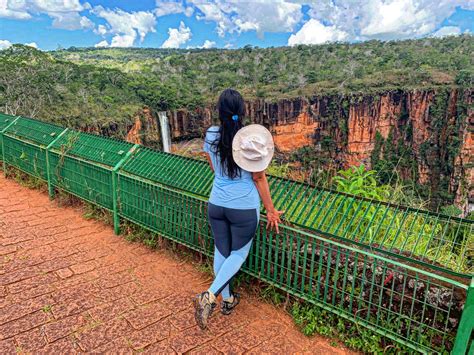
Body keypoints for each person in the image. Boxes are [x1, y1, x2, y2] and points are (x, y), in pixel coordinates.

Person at [193, 88, 283, 330]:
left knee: (221, 252)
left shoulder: (211, 134)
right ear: (242, 112)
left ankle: (229, 300)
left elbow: (213, 166)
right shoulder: (249, 141)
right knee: (238, 255)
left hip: (216, 204)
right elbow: (259, 178)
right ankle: (210, 296)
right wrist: (271, 211)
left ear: (219, 111)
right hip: (243, 208)